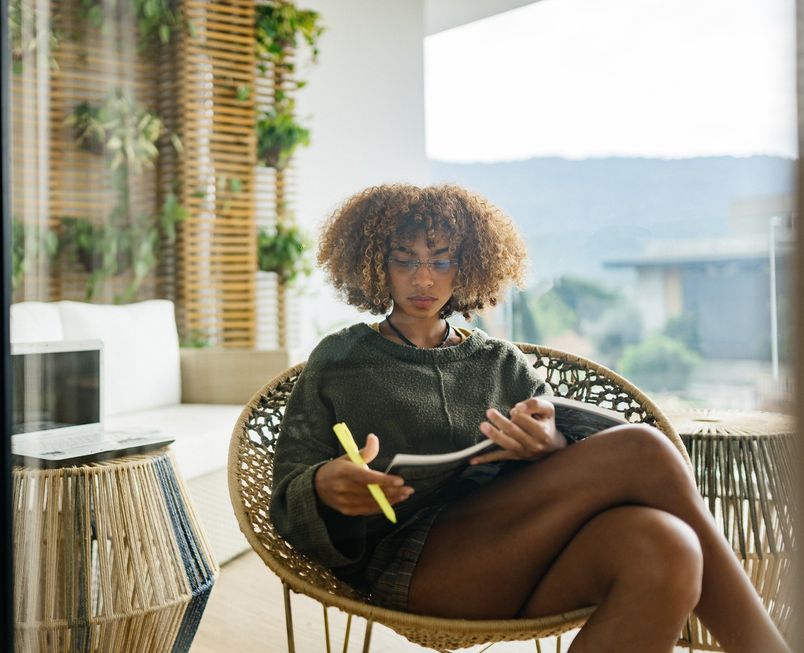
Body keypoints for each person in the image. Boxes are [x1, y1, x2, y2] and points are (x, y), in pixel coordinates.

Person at [269, 183, 791, 653]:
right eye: (404, 259)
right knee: (643, 449)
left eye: (442, 260)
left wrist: (551, 446)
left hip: (521, 556)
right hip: (416, 567)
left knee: (667, 548)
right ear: (374, 265)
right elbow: (285, 492)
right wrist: (322, 485)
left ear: (469, 265)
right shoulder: (340, 360)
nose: (423, 277)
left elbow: (563, 460)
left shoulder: (501, 362)